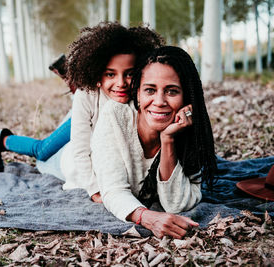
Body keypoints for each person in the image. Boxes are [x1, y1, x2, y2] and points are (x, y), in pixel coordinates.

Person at [0, 22, 164, 202]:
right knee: (42, 152)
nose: (121, 82)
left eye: (130, 74)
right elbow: (81, 150)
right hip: (84, 132)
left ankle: (72, 82)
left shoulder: (143, 95)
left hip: (97, 130)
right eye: (110, 74)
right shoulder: (90, 95)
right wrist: (94, 189)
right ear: (98, 72)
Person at [90, 46, 217, 239]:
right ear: (137, 93)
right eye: (150, 90)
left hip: (103, 143)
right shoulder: (114, 116)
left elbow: (176, 204)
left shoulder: (189, 131)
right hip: (74, 164)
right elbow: (113, 191)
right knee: (44, 153)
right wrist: (148, 217)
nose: (159, 101)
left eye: (171, 91)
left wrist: (168, 140)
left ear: (186, 97)